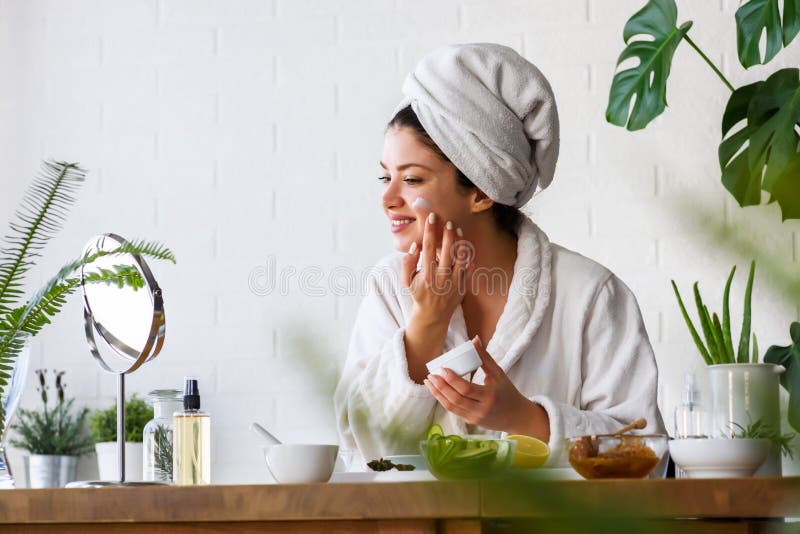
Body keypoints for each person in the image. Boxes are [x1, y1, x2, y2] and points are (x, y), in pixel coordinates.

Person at [334, 43, 665, 464]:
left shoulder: (591, 294)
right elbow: (358, 452)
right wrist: (426, 324)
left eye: (412, 179)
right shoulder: (389, 287)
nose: (387, 199)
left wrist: (529, 420)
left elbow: (648, 455)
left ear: (481, 190)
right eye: (385, 177)